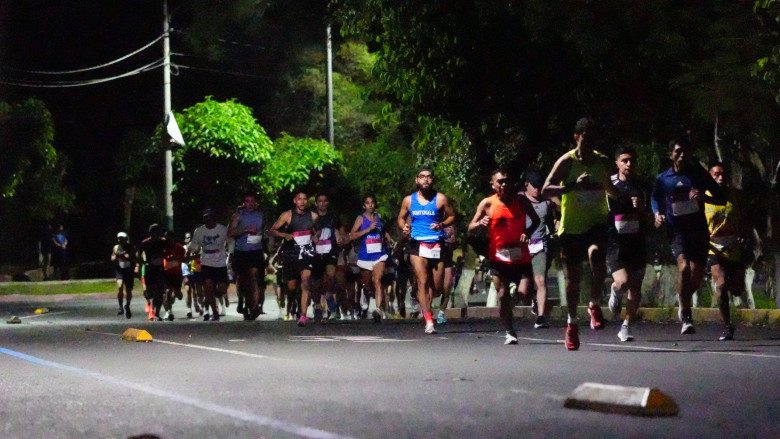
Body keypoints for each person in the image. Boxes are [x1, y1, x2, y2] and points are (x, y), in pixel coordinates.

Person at [542, 117, 619, 351]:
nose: (589, 142)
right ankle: (572, 324)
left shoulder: (602, 162)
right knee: (572, 279)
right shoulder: (567, 161)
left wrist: (626, 199)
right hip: (572, 227)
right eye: (585, 137)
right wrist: (572, 185)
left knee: (597, 256)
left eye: (593, 138)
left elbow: (610, 188)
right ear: (577, 137)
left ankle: (594, 303)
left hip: (596, 222)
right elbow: (546, 189)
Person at [651, 138, 720, 335]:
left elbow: (719, 196)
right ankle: (687, 315)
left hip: (698, 231)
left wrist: (703, 198)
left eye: (685, 152)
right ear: (671, 154)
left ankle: (683, 300)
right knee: (683, 269)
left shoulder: (698, 175)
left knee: (696, 275)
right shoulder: (663, 179)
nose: (682, 155)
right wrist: (658, 214)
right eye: (678, 151)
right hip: (676, 232)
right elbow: (654, 197)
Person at [469, 169, 539, 345]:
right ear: (493, 185)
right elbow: (470, 228)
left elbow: (536, 220)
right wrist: (479, 223)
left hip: (520, 255)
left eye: (506, 181)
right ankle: (510, 331)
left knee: (524, 292)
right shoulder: (487, 204)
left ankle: (514, 300)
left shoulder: (521, 201)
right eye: (499, 182)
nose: (504, 184)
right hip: (498, 257)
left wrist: (527, 231)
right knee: (502, 295)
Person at [397, 168, 456, 334]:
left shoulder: (440, 199)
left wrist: (442, 224)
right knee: (422, 281)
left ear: (433, 180)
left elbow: (452, 216)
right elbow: (401, 218)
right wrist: (405, 228)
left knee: (436, 287)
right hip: (417, 244)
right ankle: (428, 319)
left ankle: (427, 309)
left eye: (429, 177)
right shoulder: (409, 200)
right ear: (417, 180)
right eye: (422, 177)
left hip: (436, 244)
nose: (426, 180)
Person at [705, 162, 755, 341]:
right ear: (709, 177)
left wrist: (744, 235)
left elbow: (746, 219)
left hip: (734, 248)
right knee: (721, 285)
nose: (720, 178)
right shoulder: (704, 196)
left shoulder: (735, 196)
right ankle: (727, 325)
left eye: (723, 175)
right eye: (716, 174)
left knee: (736, 289)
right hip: (714, 248)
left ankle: (733, 293)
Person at [605, 146, 649, 342]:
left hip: (637, 242)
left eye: (632, 160)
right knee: (622, 282)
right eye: (624, 160)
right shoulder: (610, 184)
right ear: (617, 163)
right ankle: (615, 289)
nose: (629, 164)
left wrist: (641, 209)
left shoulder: (640, 186)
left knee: (636, 287)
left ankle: (626, 326)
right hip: (616, 242)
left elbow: (647, 215)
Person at [270, 191, 318, 326]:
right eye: (299, 199)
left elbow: (316, 231)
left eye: (305, 199)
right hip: (291, 253)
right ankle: (294, 303)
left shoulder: (313, 216)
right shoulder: (287, 215)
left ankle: (303, 315)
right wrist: (284, 235)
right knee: (291, 286)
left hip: (306, 253)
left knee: (305, 281)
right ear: (295, 201)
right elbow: (272, 230)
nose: (302, 202)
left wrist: (316, 237)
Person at [349, 194, 395, 323]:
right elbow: (352, 235)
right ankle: (366, 293)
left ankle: (377, 309)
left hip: (379, 254)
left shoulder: (379, 217)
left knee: (378, 280)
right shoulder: (360, 218)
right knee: (368, 284)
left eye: (372, 202)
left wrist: (388, 238)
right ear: (364, 205)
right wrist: (368, 229)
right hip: (365, 256)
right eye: (367, 203)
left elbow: (382, 231)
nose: (370, 205)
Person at [523, 168, 557, 329]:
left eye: (539, 186)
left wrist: (555, 233)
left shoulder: (546, 203)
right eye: (534, 186)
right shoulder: (519, 200)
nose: (537, 189)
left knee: (541, 280)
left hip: (540, 245)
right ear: (526, 185)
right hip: (521, 246)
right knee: (524, 286)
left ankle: (541, 317)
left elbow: (551, 221)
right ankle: (532, 298)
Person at [228, 192, 265, 320]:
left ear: (256, 203)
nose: (250, 204)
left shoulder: (261, 216)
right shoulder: (238, 216)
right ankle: (241, 299)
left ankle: (254, 307)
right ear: (244, 203)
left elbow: (267, 232)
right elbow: (230, 232)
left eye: (252, 201)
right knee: (242, 279)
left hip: (256, 251)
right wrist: (245, 230)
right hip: (242, 252)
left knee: (254, 276)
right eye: (247, 201)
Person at [189, 209, 229, 322]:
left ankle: (216, 294)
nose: (208, 221)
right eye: (206, 218)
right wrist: (190, 251)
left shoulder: (222, 229)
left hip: (220, 261)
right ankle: (214, 311)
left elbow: (230, 241)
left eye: (211, 218)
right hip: (206, 261)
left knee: (221, 288)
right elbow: (194, 244)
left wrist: (231, 254)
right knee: (208, 286)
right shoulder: (199, 231)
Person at [312, 193, 346, 321]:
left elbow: (341, 228)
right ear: (316, 203)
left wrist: (342, 238)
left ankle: (328, 296)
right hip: (315, 252)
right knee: (316, 283)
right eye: (319, 201)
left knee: (331, 275)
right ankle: (317, 305)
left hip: (331, 250)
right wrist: (312, 237)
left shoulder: (333, 216)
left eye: (325, 200)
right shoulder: (311, 216)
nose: (322, 203)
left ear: (327, 203)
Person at [137, 224, 167, 321]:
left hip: (160, 269)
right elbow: (138, 255)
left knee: (160, 291)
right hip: (150, 268)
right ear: (151, 233)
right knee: (150, 292)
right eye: (155, 231)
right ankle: (151, 307)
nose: (157, 233)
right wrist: (141, 263)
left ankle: (156, 312)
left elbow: (169, 251)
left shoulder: (163, 242)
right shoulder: (145, 243)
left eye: (158, 231)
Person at [111, 231, 135, 319]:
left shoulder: (131, 247)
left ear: (126, 239)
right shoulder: (116, 247)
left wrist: (128, 257)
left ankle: (127, 305)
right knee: (120, 286)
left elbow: (134, 257)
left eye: (122, 239)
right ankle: (120, 306)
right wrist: (114, 257)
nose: (120, 240)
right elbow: (112, 257)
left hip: (128, 270)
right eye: (119, 239)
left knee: (129, 290)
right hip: (119, 270)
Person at [163, 231, 186, 321]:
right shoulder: (163, 247)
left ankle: (175, 295)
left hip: (177, 273)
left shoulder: (180, 248)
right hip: (166, 273)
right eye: (167, 238)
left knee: (178, 294)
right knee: (167, 291)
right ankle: (169, 312)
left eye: (170, 238)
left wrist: (176, 258)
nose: (169, 240)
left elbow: (184, 258)